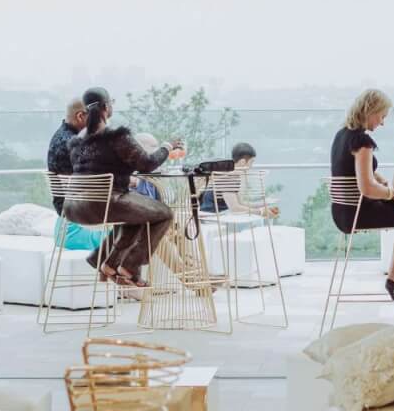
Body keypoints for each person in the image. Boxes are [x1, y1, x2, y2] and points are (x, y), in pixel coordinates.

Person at [65, 92, 185, 285]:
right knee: (165, 214)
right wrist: (167, 146)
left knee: (139, 213)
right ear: (106, 108)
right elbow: (147, 164)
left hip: (74, 207)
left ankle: (107, 262)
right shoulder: (116, 136)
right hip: (103, 204)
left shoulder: (77, 140)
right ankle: (130, 265)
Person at [330, 88, 394, 300]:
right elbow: (367, 188)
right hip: (359, 213)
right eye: (382, 116)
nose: (382, 123)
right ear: (371, 111)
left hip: (342, 212)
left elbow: (352, 171)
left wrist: (380, 179)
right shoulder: (362, 142)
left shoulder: (342, 135)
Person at [194, 143, 276, 216]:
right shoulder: (230, 177)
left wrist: (264, 204)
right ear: (243, 162)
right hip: (213, 217)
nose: (251, 166)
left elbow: (240, 203)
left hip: (218, 214)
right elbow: (235, 208)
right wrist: (260, 212)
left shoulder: (230, 174)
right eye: (251, 162)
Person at [46, 97, 86, 211]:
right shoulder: (72, 142)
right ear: (80, 116)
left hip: (65, 204)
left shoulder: (61, 135)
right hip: (76, 206)